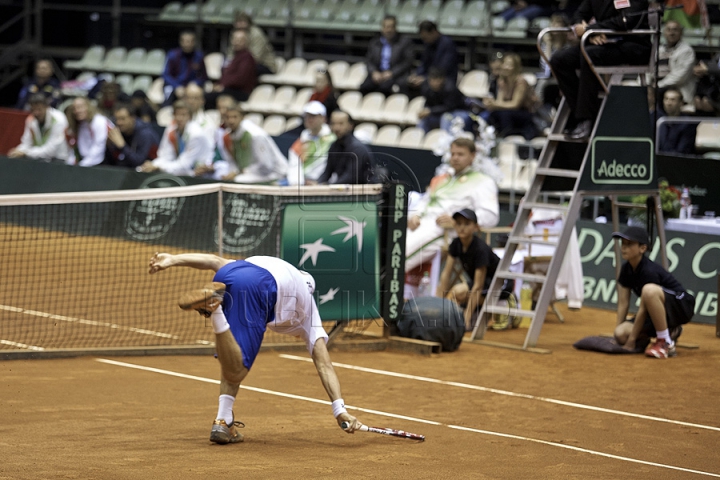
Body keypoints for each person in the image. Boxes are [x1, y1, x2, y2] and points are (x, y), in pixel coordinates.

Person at [147, 252, 362, 443]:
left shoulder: (274, 265)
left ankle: (224, 421)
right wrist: (339, 410)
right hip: (261, 288)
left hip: (232, 274)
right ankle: (215, 310)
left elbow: (212, 260)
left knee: (229, 354)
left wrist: (173, 259)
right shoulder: (308, 309)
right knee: (237, 368)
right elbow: (324, 365)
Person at [549, 0, 651, 140]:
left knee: (590, 54)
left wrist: (592, 29)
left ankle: (586, 118)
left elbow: (627, 20)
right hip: (601, 40)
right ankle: (580, 114)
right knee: (559, 60)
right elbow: (579, 15)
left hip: (632, 44)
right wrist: (588, 29)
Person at [405, 137, 499, 273]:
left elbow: (490, 216)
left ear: (472, 156)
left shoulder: (483, 181)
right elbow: (425, 201)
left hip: (445, 231)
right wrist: (415, 215)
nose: (455, 158)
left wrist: (458, 221)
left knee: (397, 258)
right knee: (386, 249)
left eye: (460, 154)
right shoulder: (442, 179)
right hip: (420, 224)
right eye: (453, 154)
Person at [611, 226, 695, 358]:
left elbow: (643, 309)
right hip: (654, 312)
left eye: (629, 244)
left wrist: (632, 340)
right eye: (623, 243)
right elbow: (623, 303)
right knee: (621, 334)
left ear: (642, 248)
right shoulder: (626, 269)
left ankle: (665, 341)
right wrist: (616, 336)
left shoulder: (649, 271)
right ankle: (669, 331)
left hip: (680, 307)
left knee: (649, 290)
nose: (624, 247)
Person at [437, 209, 503, 330]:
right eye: (458, 223)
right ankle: (444, 316)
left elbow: (478, 286)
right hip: (483, 286)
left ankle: (501, 308)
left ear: (476, 227)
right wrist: (437, 305)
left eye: (467, 224)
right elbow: (446, 274)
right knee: (455, 294)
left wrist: (466, 320)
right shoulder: (456, 244)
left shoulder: (480, 249)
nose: (462, 227)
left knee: (459, 291)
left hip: (499, 285)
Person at [198, 104, 288, 183]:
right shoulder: (226, 136)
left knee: (238, 180)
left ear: (242, 117)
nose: (231, 121)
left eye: (235, 117)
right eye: (228, 117)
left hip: (275, 173)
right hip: (250, 172)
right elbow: (231, 163)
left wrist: (239, 173)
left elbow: (266, 166)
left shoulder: (255, 135)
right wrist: (232, 173)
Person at [137, 100, 212, 176]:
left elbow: (184, 165)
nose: (179, 118)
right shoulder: (171, 129)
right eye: (177, 114)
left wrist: (158, 167)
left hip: (202, 174)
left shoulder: (196, 134)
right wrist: (152, 165)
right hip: (183, 171)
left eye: (183, 115)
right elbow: (165, 156)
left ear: (190, 117)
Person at [484, 52, 539, 140]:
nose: (506, 67)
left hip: (524, 112)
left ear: (516, 67)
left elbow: (515, 104)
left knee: (505, 115)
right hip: (508, 111)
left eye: (509, 65)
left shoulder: (521, 82)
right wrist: (491, 104)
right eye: (505, 64)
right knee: (492, 114)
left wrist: (495, 104)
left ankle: (507, 139)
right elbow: (500, 101)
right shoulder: (501, 81)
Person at [359, 15, 413, 96]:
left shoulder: (404, 42)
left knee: (383, 88)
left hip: (394, 75)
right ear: (382, 28)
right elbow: (368, 61)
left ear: (395, 28)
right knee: (364, 87)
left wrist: (392, 73)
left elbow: (407, 62)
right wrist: (374, 72)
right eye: (387, 27)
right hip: (378, 73)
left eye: (391, 27)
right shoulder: (374, 43)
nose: (389, 30)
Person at [646, 20, 696, 108]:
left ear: (681, 33)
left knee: (669, 97)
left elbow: (679, 77)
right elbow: (648, 69)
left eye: (675, 30)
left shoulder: (687, 50)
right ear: (664, 33)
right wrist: (646, 85)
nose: (671, 33)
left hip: (675, 89)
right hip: (655, 88)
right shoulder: (658, 49)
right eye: (668, 30)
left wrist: (657, 86)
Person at [286, 101, 336, 186]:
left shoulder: (333, 140)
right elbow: (294, 165)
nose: (309, 119)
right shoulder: (301, 141)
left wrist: (320, 182)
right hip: (302, 184)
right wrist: (298, 183)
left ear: (323, 118)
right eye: (307, 116)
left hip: (324, 184)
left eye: (313, 116)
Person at [317, 110, 374, 185]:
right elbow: (327, 173)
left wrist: (328, 186)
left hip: (363, 192)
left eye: (341, 124)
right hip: (344, 189)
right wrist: (317, 184)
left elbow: (350, 178)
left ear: (350, 126)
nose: (336, 128)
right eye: (333, 123)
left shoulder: (358, 149)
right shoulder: (334, 146)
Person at [8, 92, 68, 161]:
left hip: (59, 160)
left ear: (47, 107)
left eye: (39, 109)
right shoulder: (30, 119)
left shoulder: (59, 119)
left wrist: (26, 153)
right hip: (40, 160)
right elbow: (26, 143)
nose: (36, 113)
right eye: (33, 110)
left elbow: (51, 151)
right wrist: (17, 151)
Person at [405, 21, 458, 96]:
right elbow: (424, 63)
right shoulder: (428, 44)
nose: (424, 40)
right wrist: (416, 75)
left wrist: (426, 78)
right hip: (429, 76)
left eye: (426, 37)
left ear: (433, 32)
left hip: (445, 78)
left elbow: (444, 68)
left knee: (427, 86)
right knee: (407, 84)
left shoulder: (447, 44)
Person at [207, 29, 257, 107]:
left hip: (239, 92)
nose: (237, 42)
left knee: (208, 98)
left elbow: (241, 78)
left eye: (240, 40)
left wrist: (223, 86)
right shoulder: (233, 56)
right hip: (228, 89)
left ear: (246, 42)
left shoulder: (247, 57)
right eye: (235, 39)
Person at [106, 104, 160, 168]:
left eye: (122, 119)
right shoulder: (121, 131)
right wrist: (109, 146)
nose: (118, 122)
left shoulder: (145, 133)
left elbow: (139, 162)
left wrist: (122, 146)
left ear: (133, 118)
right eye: (116, 119)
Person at [417, 68, 470, 133]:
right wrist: (425, 110)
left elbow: (449, 107)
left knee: (445, 117)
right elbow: (428, 102)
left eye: (436, 80)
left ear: (442, 79)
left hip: (458, 112)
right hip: (438, 113)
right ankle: (420, 139)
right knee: (424, 119)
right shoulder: (427, 87)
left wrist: (430, 111)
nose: (434, 83)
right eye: (432, 80)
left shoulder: (450, 88)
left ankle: (445, 139)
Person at [162, 31, 208, 104]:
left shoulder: (199, 56)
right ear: (181, 42)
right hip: (175, 85)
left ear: (194, 42)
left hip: (192, 86)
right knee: (169, 93)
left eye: (190, 41)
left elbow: (204, 76)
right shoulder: (173, 55)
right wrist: (177, 86)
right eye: (185, 41)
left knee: (198, 94)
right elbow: (166, 75)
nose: (188, 44)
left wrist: (195, 83)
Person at [65, 96, 113, 167]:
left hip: (105, 161)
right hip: (86, 161)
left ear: (88, 107)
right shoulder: (80, 124)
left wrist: (83, 164)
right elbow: (76, 147)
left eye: (80, 107)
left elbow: (99, 147)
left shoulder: (99, 121)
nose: (77, 111)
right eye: (74, 108)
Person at [233, 12, 277, 77]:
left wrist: (239, 63)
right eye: (238, 22)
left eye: (242, 22)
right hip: (243, 63)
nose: (240, 25)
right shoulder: (235, 33)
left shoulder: (256, 34)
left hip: (265, 65)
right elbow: (231, 52)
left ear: (248, 22)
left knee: (245, 69)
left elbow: (256, 57)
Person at [657, 87, 696, 155]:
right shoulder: (659, 121)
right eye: (666, 99)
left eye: (673, 100)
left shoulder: (688, 124)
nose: (668, 103)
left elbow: (682, 150)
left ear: (680, 103)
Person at [692, 52, 720, 116]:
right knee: (698, 100)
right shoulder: (718, 56)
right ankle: (701, 125)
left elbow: (709, 69)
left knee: (707, 102)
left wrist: (707, 70)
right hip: (715, 90)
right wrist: (700, 70)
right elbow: (709, 66)